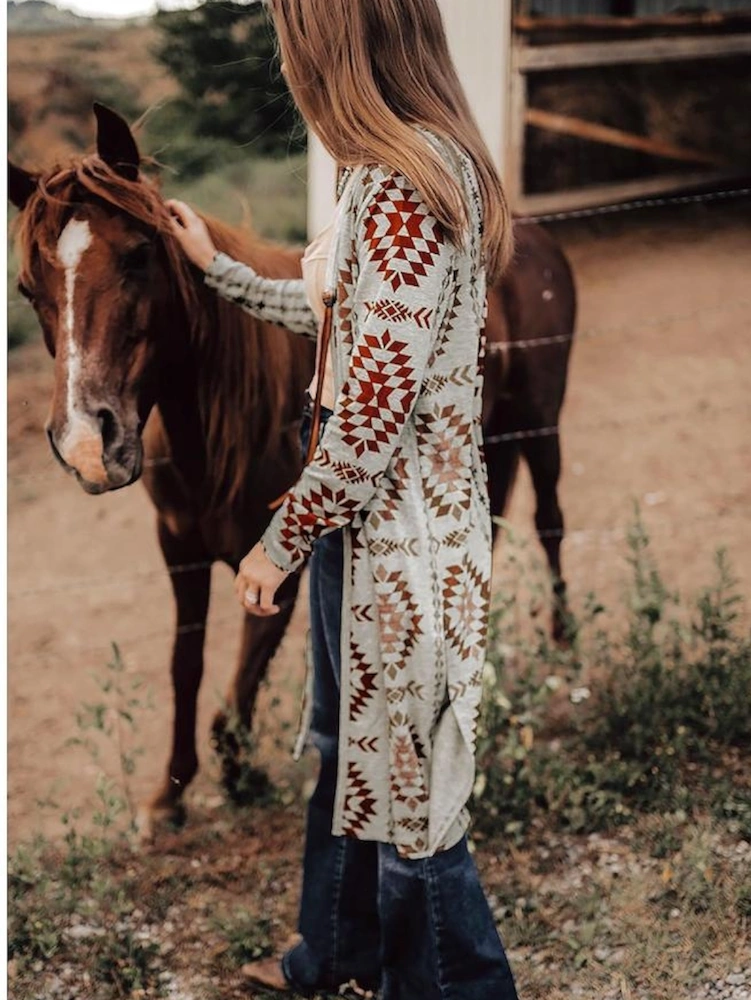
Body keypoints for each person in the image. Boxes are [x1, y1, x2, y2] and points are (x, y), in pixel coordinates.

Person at [166, 1, 518, 997]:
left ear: (337, 48)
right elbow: (343, 329)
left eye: (297, 46)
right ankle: (336, 957)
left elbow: (367, 408)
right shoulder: (391, 174)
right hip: (361, 531)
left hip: (398, 537)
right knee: (341, 752)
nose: (292, 71)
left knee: (419, 817)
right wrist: (221, 269)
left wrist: (279, 538)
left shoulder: (407, 186)